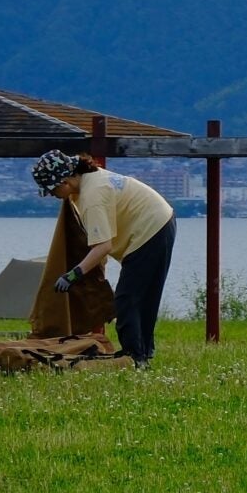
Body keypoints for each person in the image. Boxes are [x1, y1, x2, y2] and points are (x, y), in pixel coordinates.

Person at [33, 150, 177, 365]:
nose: (53, 195)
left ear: (64, 181)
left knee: (127, 300)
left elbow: (103, 246)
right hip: (160, 221)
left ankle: (134, 358)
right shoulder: (86, 183)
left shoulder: (92, 196)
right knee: (142, 300)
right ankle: (143, 353)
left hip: (150, 229)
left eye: (52, 189)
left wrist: (72, 276)